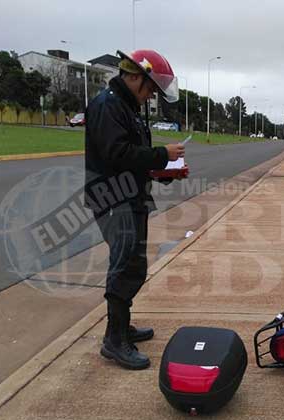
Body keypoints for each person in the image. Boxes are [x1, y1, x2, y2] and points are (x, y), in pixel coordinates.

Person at [84, 49, 185, 370]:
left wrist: (165, 171)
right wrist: (163, 155)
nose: (151, 94)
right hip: (114, 199)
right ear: (134, 76)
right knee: (124, 266)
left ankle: (121, 326)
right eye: (151, 87)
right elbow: (117, 154)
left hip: (131, 197)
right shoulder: (107, 105)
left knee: (134, 266)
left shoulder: (127, 107)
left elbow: (135, 157)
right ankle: (114, 340)